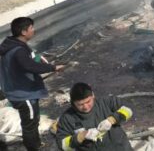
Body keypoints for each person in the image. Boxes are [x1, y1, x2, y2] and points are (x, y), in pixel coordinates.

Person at [0, 17, 65, 150]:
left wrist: (37, 57)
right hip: (23, 94)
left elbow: (27, 59)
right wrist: (53, 67)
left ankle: (36, 143)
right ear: (24, 32)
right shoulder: (18, 50)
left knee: (33, 120)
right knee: (29, 124)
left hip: (17, 90)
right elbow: (29, 66)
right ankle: (33, 147)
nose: (34, 30)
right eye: (31, 28)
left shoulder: (13, 44)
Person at [55, 82, 134, 150]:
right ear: (73, 103)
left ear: (93, 95)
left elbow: (128, 109)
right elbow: (62, 145)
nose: (85, 107)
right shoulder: (67, 118)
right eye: (80, 104)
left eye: (88, 101)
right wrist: (81, 136)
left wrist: (112, 119)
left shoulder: (105, 102)